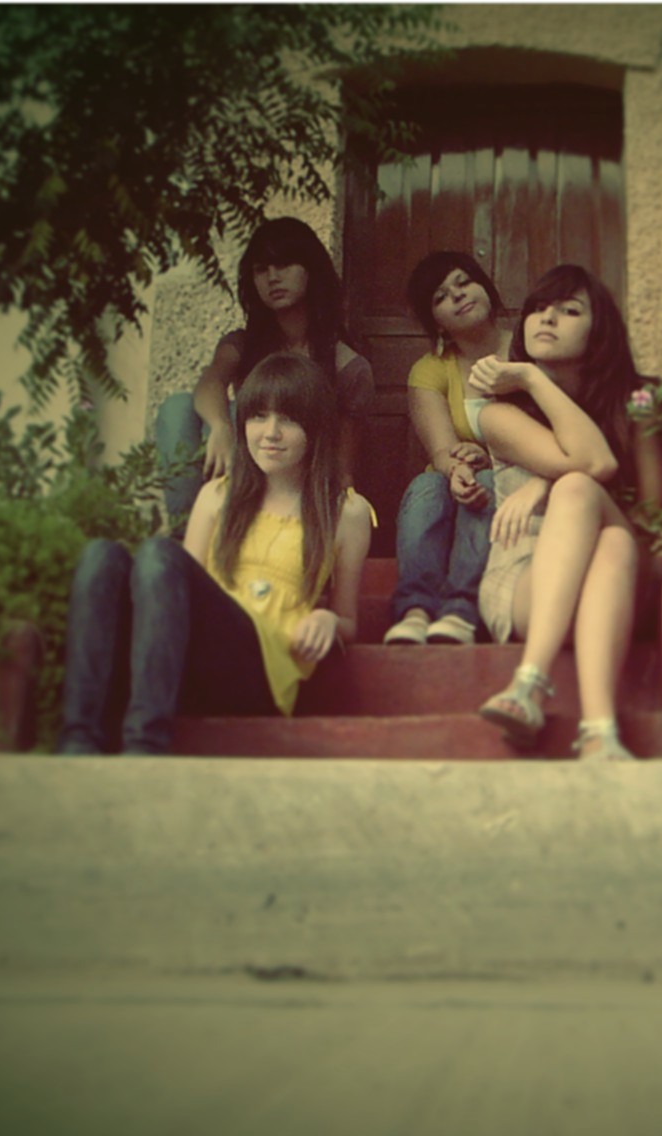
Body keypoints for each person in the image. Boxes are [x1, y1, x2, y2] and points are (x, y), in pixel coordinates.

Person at [58, 353, 373, 755]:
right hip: (192, 659)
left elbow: (349, 621)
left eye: (289, 419)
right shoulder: (216, 496)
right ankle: (78, 740)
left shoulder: (345, 511)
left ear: (315, 428)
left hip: (260, 671)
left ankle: (144, 745)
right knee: (100, 556)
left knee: (159, 553)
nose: (270, 433)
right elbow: (177, 598)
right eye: (258, 416)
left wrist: (328, 617)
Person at [467, 264, 662, 761]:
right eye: (538, 309)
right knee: (589, 503)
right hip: (524, 581)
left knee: (605, 523)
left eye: (568, 310)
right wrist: (533, 382)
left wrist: (544, 482)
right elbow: (591, 463)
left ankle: (529, 686)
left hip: (623, 576)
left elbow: (645, 509)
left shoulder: (639, 399)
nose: (546, 318)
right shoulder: (495, 410)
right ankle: (600, 732)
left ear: (599, 328)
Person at [156, 216, 374, 527]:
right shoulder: (242, 344)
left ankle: (223, 531)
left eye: (284, 265)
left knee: (244, 417)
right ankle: (187, 532)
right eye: (261, 269)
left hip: (296, 485)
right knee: (178, 408)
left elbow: (343, 467)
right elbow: (211, 382)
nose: (273, 277)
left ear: (311, 270)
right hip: (240, 469)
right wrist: (219, 426)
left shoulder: (346, 364)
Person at [383, 251, 512, 646]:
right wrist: (456, 468)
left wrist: (485, 459)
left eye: (464, 282)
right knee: (426, 487)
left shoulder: (526, 350)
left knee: (487, 481)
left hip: (513, 477)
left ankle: (461, 611)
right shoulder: (430, 369)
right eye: (441, 296)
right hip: (453, 478)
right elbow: (441, 450)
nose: (457, 296)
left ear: (485, 288)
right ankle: (416, 611)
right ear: (434, 320)